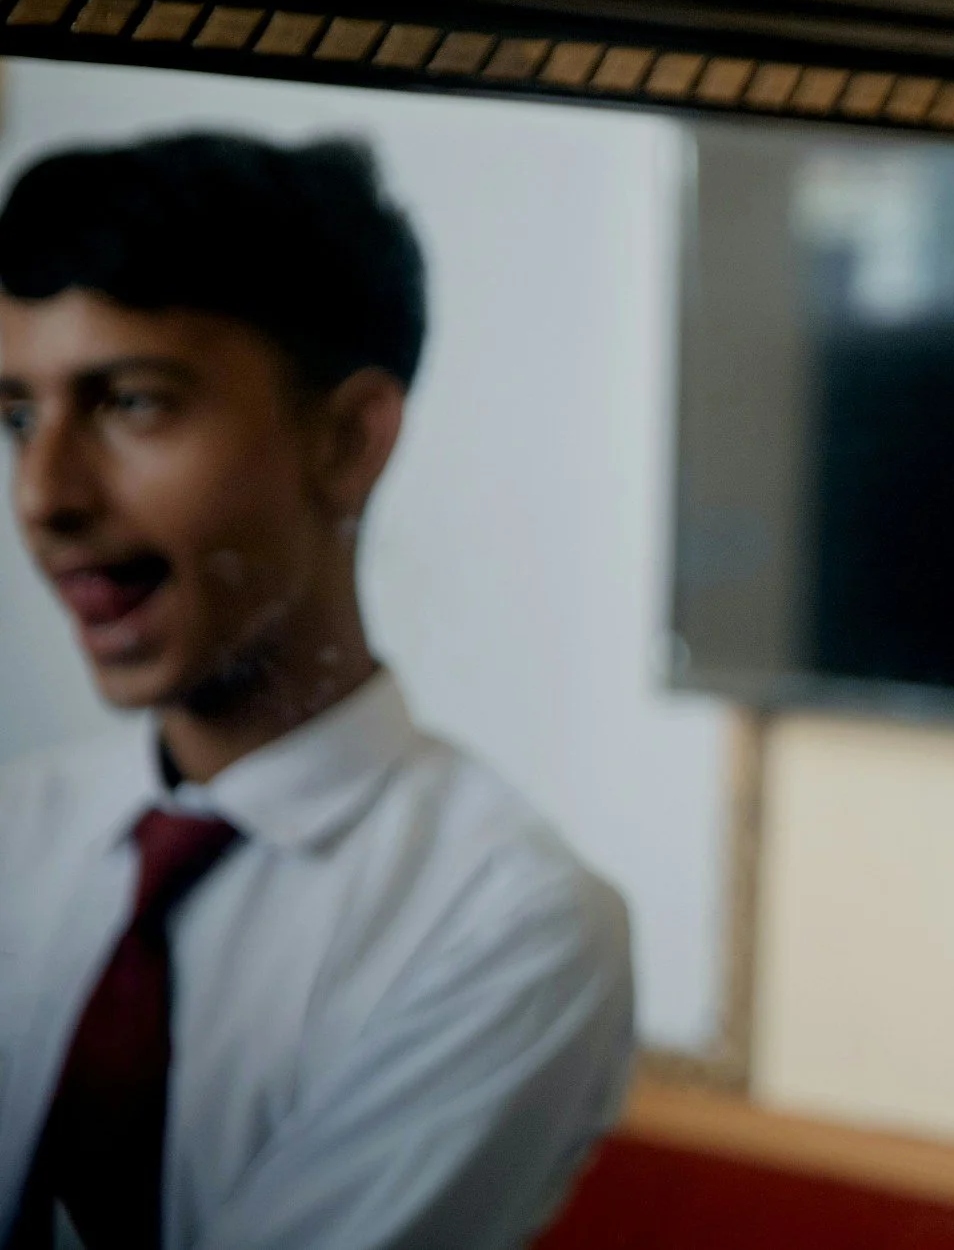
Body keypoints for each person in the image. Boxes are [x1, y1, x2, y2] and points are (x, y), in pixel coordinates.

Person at [0, 134, 634, 1249]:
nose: (44, 494)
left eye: (133, 403)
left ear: (346, 441)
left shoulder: (502, 921)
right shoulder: (15, 826)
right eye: (17, 418)